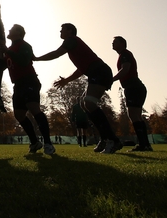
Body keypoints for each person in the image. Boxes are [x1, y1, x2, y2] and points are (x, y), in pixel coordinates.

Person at [34, 23, 123, 154]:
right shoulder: (74, 46)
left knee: (89, 103)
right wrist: (66, 80)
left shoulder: (71, 40)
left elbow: (57, 53)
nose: (60, 32)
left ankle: (113, 140)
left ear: (70, 31)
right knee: (84, 103)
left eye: (62, 30)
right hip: (96, 73)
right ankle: (105, 138)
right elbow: (81, 69)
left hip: (100, 72)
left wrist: (37, 59)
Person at [3, 25, 55, 155]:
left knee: (34, 108)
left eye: (12, 29)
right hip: (18, 84)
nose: (9, 30)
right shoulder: (9, 49)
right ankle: (34, 142)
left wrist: (7, 52)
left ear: (19, 33)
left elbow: (23, 61)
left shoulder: (25, 46)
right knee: (19, 115)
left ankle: (48, 143)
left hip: (29, 80)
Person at [111, 36, 152, 152]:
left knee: (134, 115)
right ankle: (145, 144)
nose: (112, 44)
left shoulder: (125, 54)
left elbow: (125, 70)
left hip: (133, 87)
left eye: (115, 42)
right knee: (137, 116)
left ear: (122, 44)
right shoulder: (123, 55)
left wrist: (111, 80)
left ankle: (144, 144)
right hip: (136, 87)